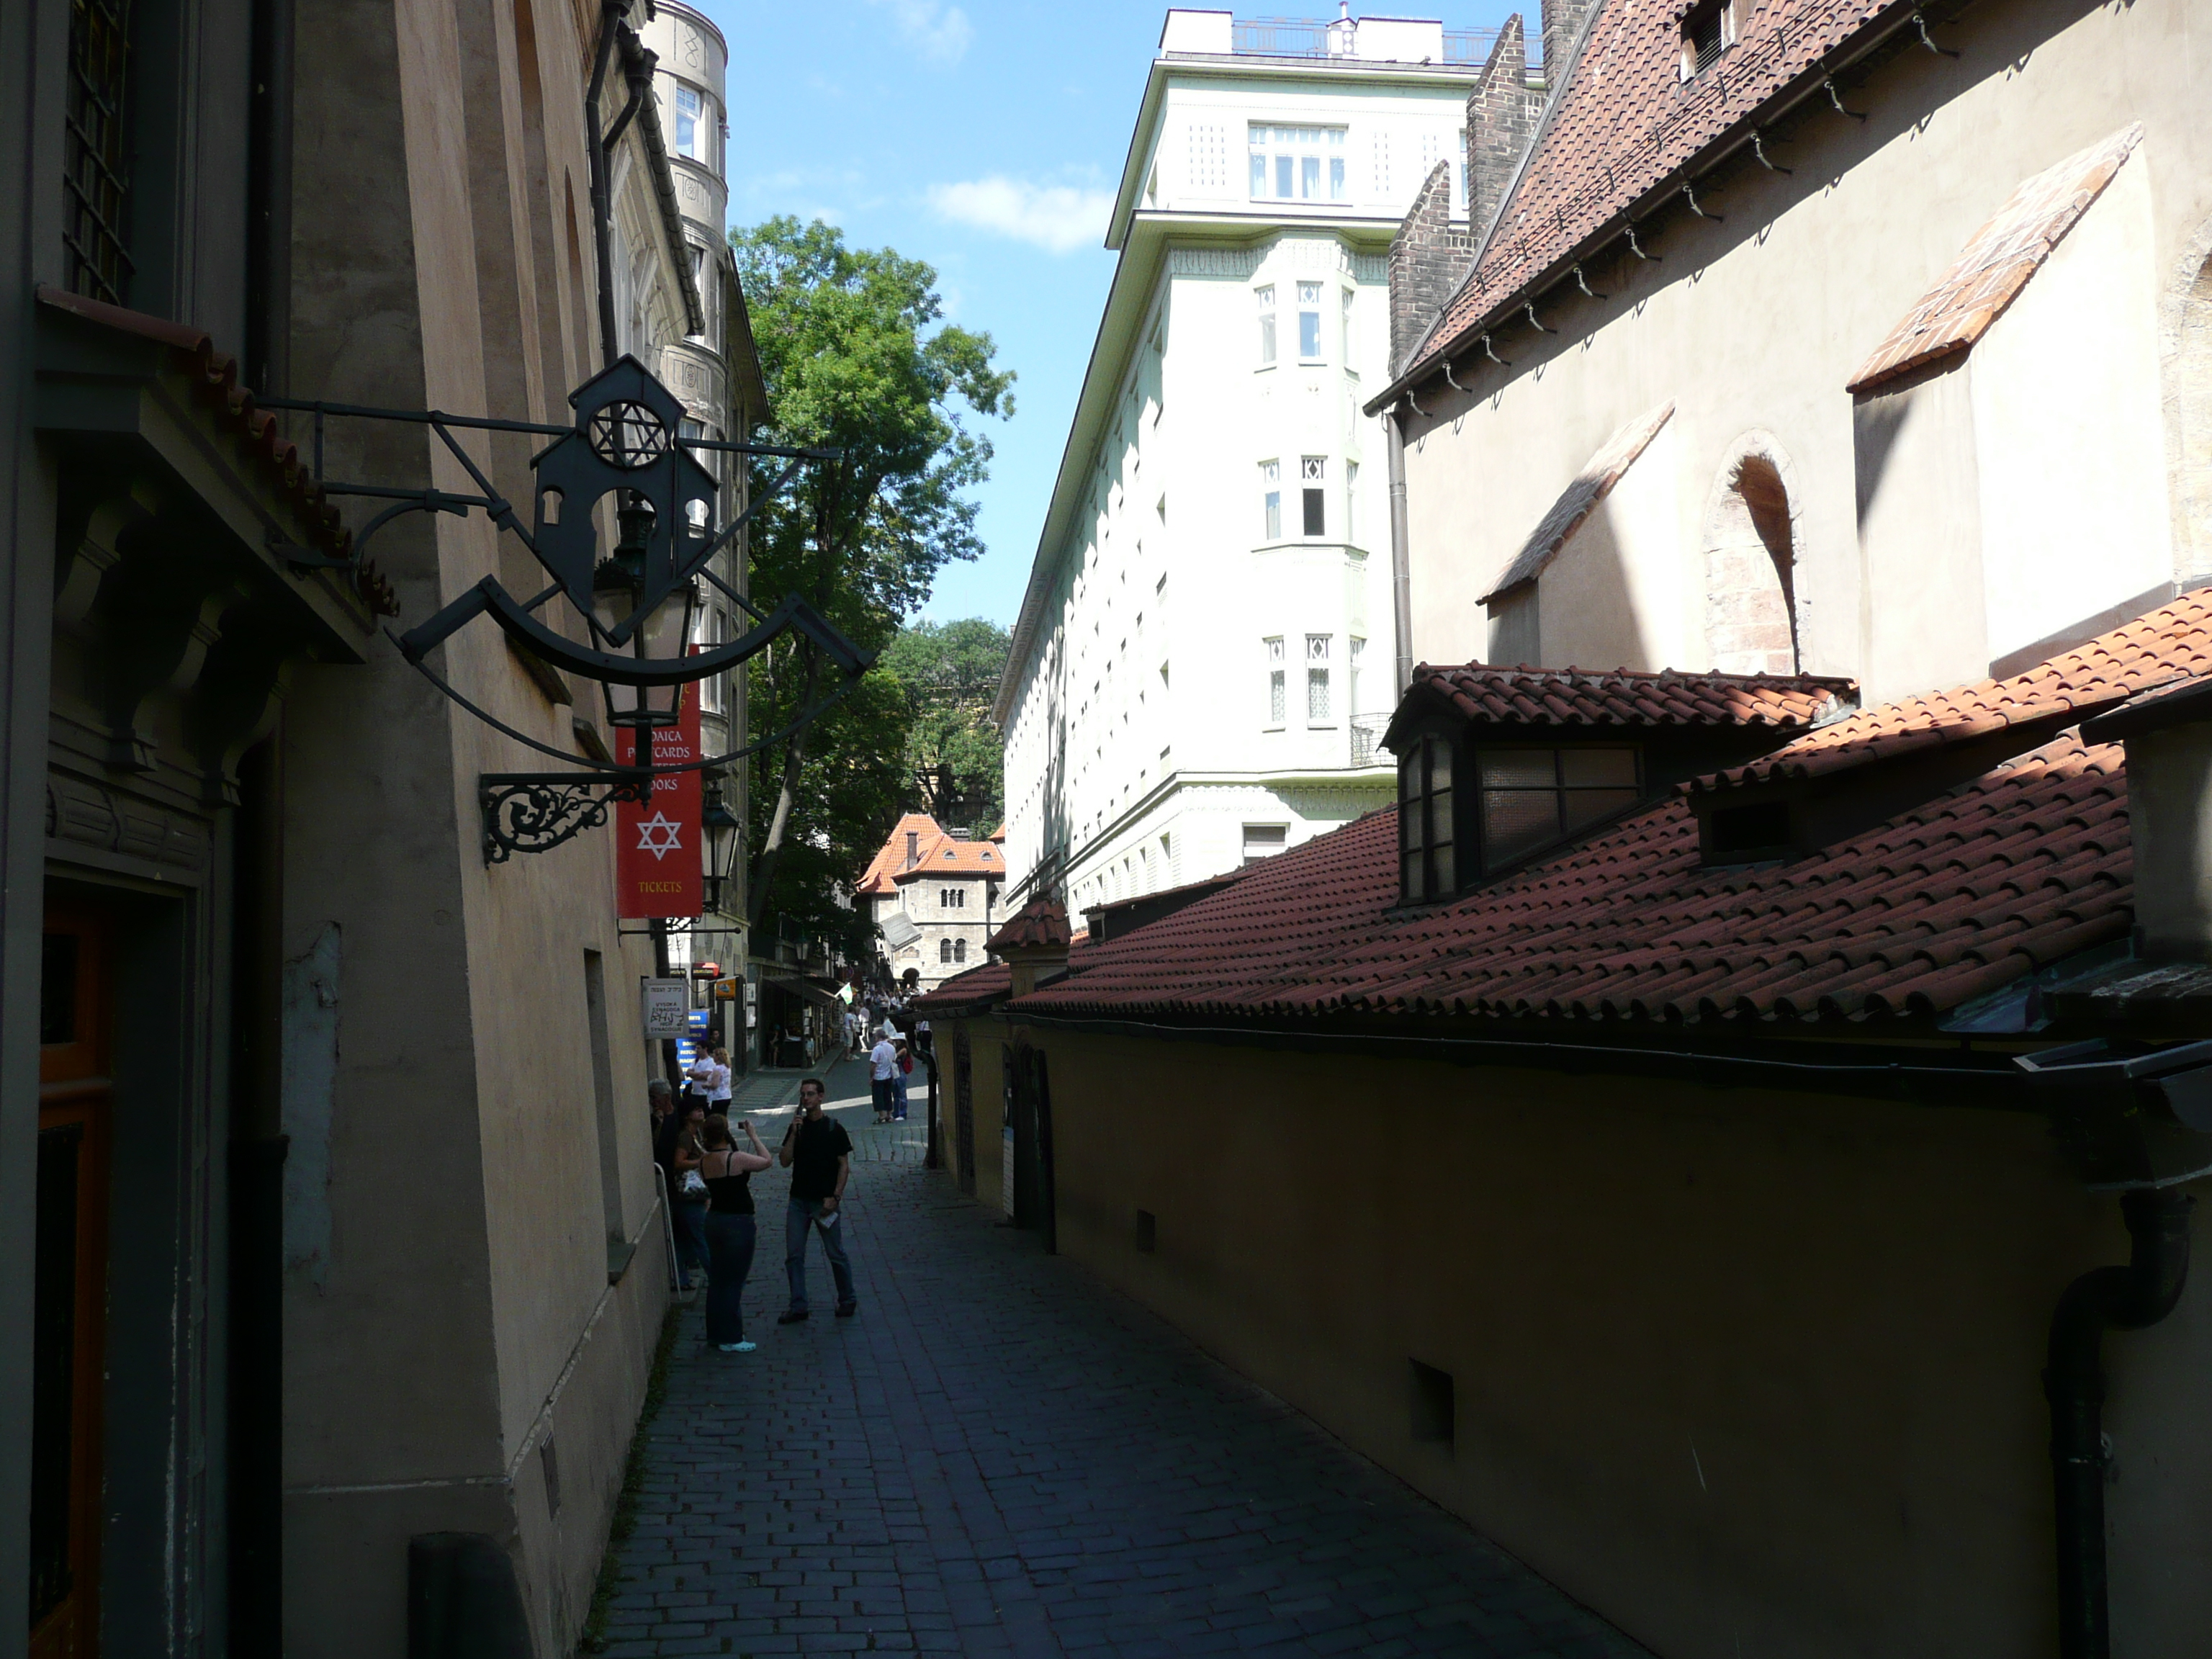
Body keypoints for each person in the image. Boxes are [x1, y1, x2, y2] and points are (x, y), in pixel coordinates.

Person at [778, 1077, 855, 1322]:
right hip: (798, 1201)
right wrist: (794, 1132)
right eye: (803, 1095)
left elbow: (844, 1166)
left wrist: (836, 1196)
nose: (806, 1099)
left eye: (810, 1094)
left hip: (824, 1203)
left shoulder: (834, 1128)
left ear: (821, 1097)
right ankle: (799, 1305)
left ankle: (847, 1299)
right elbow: (784, 1161)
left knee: (836, 1253)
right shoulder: (796, 1128)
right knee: (794, 1255)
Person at [698, 1113, 773, 1352]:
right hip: (737, 1222)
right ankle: (732, 1337)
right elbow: (766, 1160)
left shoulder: (704, 1160)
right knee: (734, 1282)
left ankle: (716, 1334)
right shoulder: (735, 1159)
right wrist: (752, 1134)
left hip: (714, 1220)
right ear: (725, 1132)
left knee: (718, 1280)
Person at [657, 1097, 710, 1292]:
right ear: (687, 1115)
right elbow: (679, 1162)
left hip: (689, 1194)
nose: (701, 1112)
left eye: (701, 1109)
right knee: (702, 1238)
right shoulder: (686, 1136)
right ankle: (717, 1276)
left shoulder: (696, 1133)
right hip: (688, 1194)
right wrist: (702, 1162)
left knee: (682, 1239)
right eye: (696, 1110)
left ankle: (681, 1278)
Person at [868, 1028, 898, 1125]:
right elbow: (894, 1060)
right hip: (889, 1075)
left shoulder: (877, 1049)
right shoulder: (892, 1047)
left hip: (878, 1076)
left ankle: (882, 1115)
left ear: (877, 1037)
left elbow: (873, 1065)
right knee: (888, 1095)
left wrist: (871, 1077)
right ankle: (889, 1115)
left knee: (878, 1097)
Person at [891, 1035, 912, 1123]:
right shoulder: (897, 1048)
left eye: (897, 1040)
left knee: (901, 1094)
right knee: (896, 1094)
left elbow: (894, 1057)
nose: (896, 1041)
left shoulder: (903, 1049)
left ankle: (902, 1113)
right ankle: (896, 1113)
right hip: (897, 1072)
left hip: (900, 1073)